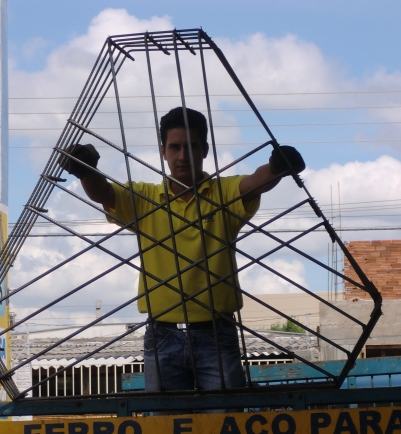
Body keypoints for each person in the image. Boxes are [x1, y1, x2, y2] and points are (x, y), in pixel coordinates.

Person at [59, 107, 304, 392]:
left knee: (225, 428)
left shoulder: (223, 192)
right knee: (168, 430)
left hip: (217, 333)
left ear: (205, 150)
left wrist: (277, 167)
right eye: (174, 147)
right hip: (163, 335)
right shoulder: (146, 199)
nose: (182, 156)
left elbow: (254, 182)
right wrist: (86, 169)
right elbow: (105, 193)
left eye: (192, 146)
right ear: (163, 151)